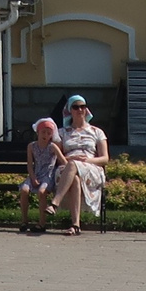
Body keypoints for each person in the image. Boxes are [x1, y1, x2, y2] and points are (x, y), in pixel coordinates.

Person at [49, 94, 109, 234]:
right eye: (76, 107)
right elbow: (57, 155)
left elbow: (105, 158)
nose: (80, 110)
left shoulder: (97, 132)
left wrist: (86, 160)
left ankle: (55, 202)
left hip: (91, 167)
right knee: (74, 175)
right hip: (66, 168)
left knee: (73, 165)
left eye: (83, 107)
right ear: (70, 110)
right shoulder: (62, 133)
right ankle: (75, 225)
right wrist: (69, 161)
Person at [18, 116, 63, 234]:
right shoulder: (31, 146)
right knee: (24, 190)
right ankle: (24, 221)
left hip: (47, 175)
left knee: (42, 192)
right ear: (38, 132)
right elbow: (29, 164)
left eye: (48, 133)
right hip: (36, 173)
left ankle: (42, 223)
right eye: (43, 132)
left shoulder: (52, 147)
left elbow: (63, 160)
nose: (45, 135)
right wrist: (32, 177)